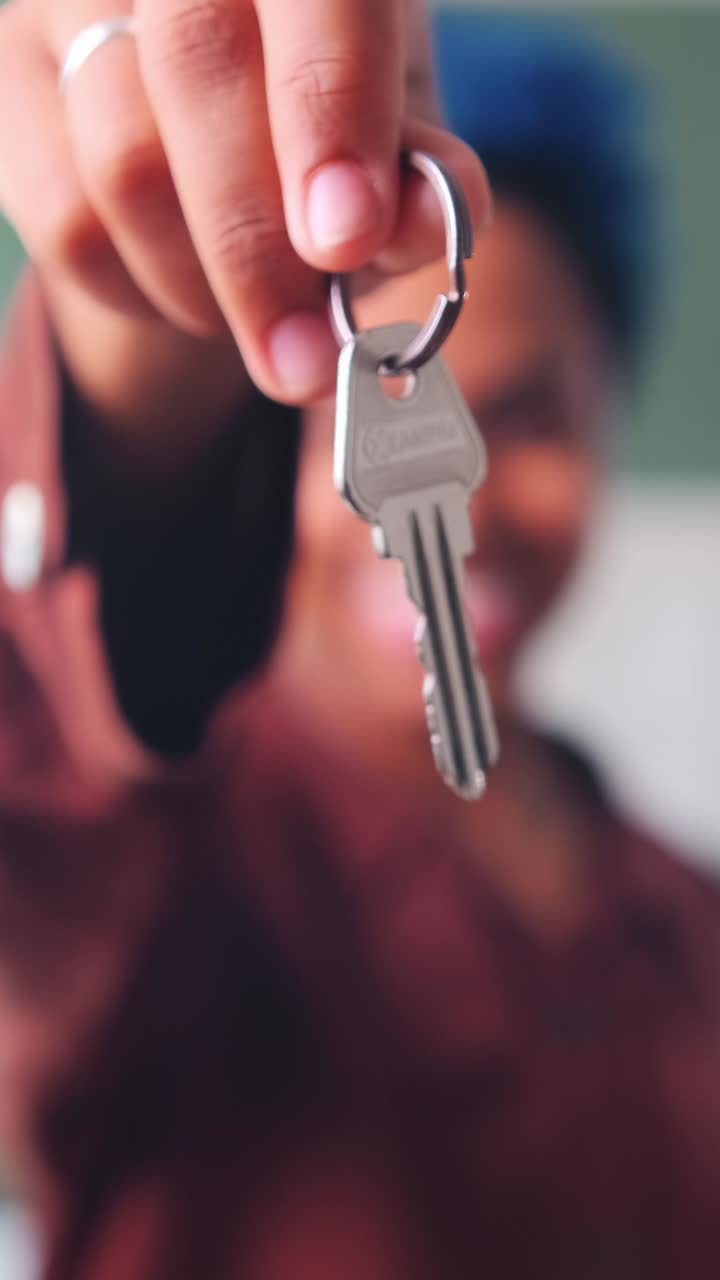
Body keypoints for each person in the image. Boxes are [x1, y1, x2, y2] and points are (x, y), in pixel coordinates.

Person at [0, 1, 718, 1277]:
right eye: (329, 415)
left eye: (535, 412)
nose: (474, 499)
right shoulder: (150, 860)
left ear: (617, 410)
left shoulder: (683, 914)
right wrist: (140, 347)